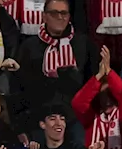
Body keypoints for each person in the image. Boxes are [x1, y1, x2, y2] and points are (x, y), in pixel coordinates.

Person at [9, 0, 98, 132]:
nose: (60, 17)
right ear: (44, 16)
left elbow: (91, 81)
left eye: (64, 13)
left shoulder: (83, 43)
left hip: (74, 117)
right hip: (38, 117)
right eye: (54, 13)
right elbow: (20, 87)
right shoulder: (29, 46)